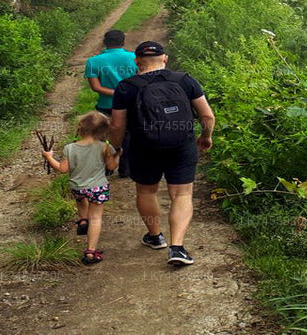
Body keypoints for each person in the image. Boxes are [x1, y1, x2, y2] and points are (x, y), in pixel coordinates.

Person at [109, 41, 215, 267]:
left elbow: (117, 126)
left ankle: (155, 237)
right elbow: (207, 116)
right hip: (182, 144)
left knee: (147, 190)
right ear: (165, 58)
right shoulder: (185, 80)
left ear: (137, 62)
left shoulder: (127, 87)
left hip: (143, 146)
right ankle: (177, 247)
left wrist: (116, 147)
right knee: (182, 194)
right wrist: (206, 136)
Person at [42, 111, 120, 266]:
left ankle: (83, 220)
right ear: (103, 131)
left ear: (80, 128)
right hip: (98, 188)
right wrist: (117, 155)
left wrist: (49, 157)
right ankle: (91, 252)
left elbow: (63, 169)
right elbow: (112, 166)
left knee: (81, 199)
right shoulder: (105, 147)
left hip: (77, 187)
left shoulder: (70, 148)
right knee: (96, 218)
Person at [84, 29, 137, 177]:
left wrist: (115, 93)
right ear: (123, 42)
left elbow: (96, 87)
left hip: (105, 105)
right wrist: (124, 94)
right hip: (129, 104)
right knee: (127, 136)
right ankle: (125, 169)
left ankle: (106, 168)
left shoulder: (93, 61)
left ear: (104, 43)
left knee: (103, 136)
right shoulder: (134, 58)